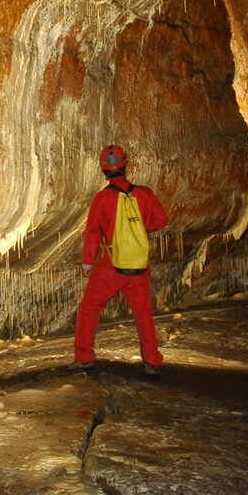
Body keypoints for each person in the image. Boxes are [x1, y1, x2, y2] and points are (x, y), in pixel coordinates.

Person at [73, 144, 169, 374]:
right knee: (143, 313)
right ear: (126, 166)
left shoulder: (102, 199)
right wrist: (137, 229)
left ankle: (84, 357)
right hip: (139, 266)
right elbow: (161, 220)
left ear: (103, 170)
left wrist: (88, 263)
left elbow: (93, 232)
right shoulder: (145, 194)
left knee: (90, 308)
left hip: (110, 267)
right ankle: (152, 362)